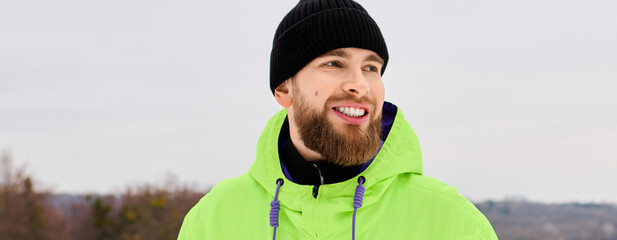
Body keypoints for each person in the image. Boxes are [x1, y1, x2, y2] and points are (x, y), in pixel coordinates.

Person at [178, 0, 497, 239]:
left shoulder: (453, 222)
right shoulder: (213, 221)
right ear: (284, 90)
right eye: (334, 63)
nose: (359, 83)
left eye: (371, 68)